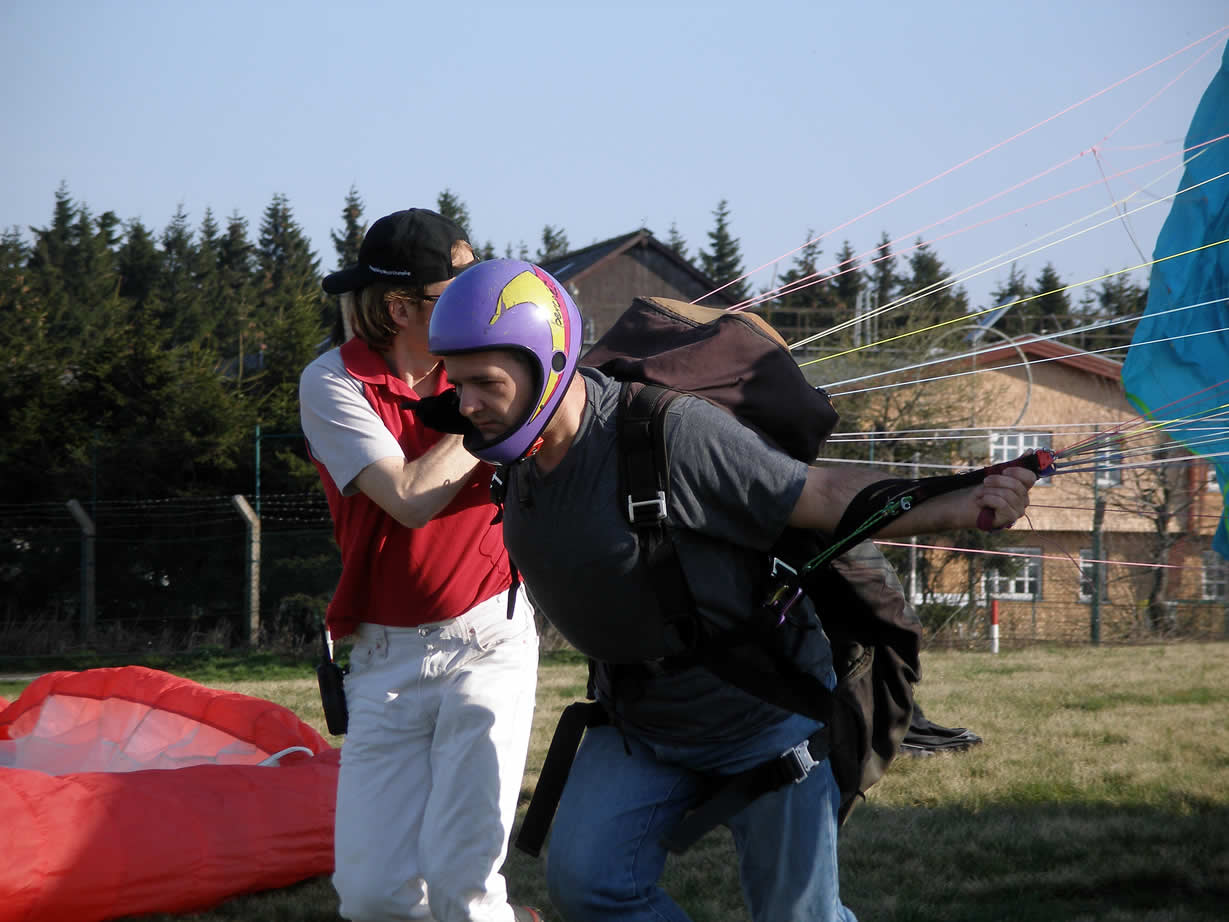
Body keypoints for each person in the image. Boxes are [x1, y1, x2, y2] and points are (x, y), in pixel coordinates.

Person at [425, 258, 1038, 922]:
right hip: (638, 719)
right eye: (458, 383)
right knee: (589, 888)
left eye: (485, 384)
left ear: (548, 365)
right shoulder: (514, 453)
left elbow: (819, 494)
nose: (466, 405)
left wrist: (961, 501)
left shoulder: (666, 432)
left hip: (760, 718)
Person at [299, 212, 543, 922]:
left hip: (489, 641)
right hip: (383, 659)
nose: (478, 303)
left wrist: (516, 389)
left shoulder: (489, 366)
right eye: (455, 290)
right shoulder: (333, 380)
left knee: (463, 885)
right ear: (400, 308)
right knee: (373, 896)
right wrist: (494, 407)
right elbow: (408, 498)